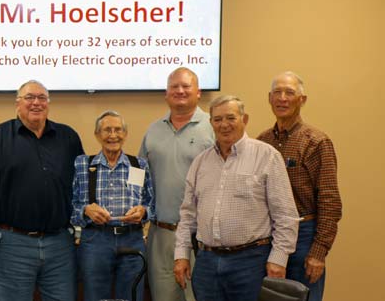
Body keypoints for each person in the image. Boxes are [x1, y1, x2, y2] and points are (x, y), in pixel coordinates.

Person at [173, 95, 299, 301]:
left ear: (244, 119)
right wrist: (181, 255)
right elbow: (187, 214)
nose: (224, 125)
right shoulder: (200, 163)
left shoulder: (267, 156)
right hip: (206, 262)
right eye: (217, 119)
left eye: (231, 118)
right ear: (211, 123)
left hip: (251, 262)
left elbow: (285, 216)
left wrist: (279, 259)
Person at [0, 80, 84, 301]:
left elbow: (81, 187)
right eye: (29, 97)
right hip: (12, 244)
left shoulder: (68, 137)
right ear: (17, 104)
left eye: (42, 98)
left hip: (60, 243)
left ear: (48, 104)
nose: (36, 103)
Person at [257, 72, 342, 301]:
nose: (282, 98)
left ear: (302, 100)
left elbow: (330, 201)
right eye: (277, 92)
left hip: (304, 237)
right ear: (269, 98)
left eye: (290, 93)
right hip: (269, 237)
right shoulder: (262, 142)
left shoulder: (316, 142)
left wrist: (318, 252)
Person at [139, 67, 214, 301]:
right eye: (174, 87)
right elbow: (138, 179)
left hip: (199, 236)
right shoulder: (153, 130)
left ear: (198, 92)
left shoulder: (213, 128)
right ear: (166, 93)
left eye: (186, 86)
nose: (180, 91)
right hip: (160, 234)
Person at [71, 110, 154, 301]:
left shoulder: (138, 165)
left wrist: (143, 211)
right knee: (95, 297)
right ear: (97, 135)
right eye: (107, 130)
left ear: (125, 134)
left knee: (132, 296)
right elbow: (70, 207)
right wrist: (85, 210)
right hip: (95, 241)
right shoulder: (83, 164)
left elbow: (152, 205)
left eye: (118, 130)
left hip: (132, 239)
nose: (113, 135)